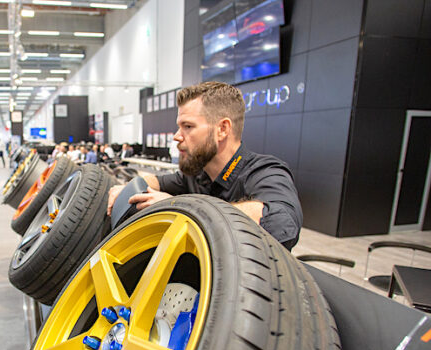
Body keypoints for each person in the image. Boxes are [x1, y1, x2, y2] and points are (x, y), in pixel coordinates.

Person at [107, 81, 303, 250]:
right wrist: (127, 189)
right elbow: (154, 180)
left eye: (188, 126)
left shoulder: (265, 172)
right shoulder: (196, 176)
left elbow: (283, 223)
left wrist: (179, 207)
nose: (176, 136)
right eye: (179, 126)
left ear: (222, 130)